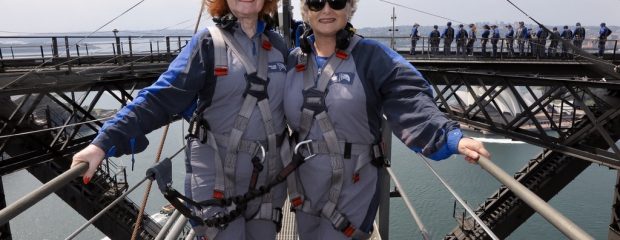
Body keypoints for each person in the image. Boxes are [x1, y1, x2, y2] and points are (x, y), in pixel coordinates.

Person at [71, 0, 290, 239]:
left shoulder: (278, 47)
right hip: (217, 181)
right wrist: (102, 142)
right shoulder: (209, 44)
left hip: (265, 183)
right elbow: (160, 98)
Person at [287, 0, 490, 239]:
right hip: (305, 184)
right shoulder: (294, 60)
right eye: (316, 2)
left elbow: (408, 95)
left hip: (353, 186)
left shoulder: (372, 56)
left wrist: (449, 136)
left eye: (338, 1)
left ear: (350, 7)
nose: (327, 9)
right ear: (306, 11)